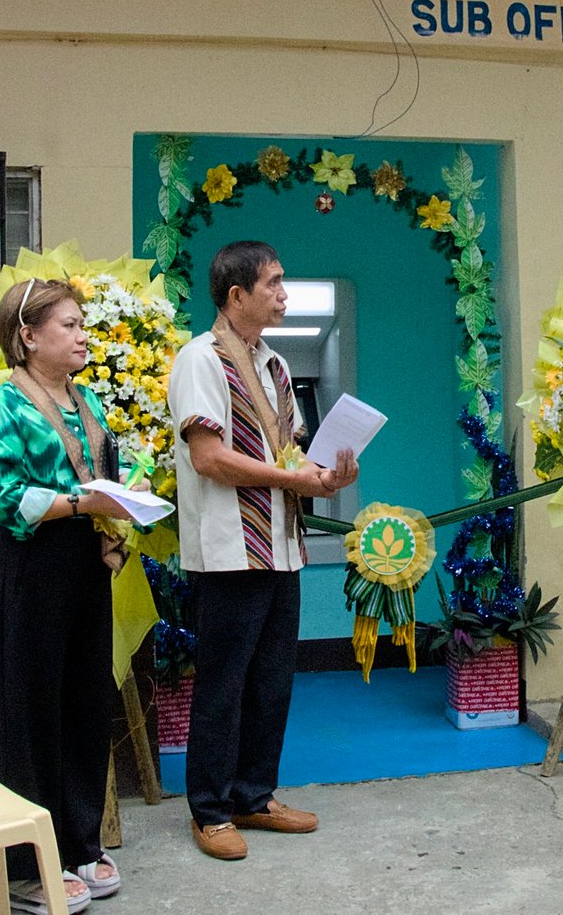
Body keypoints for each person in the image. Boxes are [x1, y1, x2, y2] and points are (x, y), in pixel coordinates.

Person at [168, 241, 358, 861]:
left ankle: (254, 795)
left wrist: (326, 477)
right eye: (273, 284)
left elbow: (290, 454)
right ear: (236, 296)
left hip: (283, 548)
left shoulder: (276, 365)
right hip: (228, 552)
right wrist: (296, 479)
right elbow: (210, 459)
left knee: (272, 680)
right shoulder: (200, 360)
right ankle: (210, 811)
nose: (284, 294)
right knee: (222, 684)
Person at [0, 277, 133, 912]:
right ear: (27, 336)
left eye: (82, 323)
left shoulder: (83, 399)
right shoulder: (2, 407)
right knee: (29, 712)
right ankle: (28, 865)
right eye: (68, 325)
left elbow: (104, 475)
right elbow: (5, 499)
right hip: (29, 567)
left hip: (84, 565)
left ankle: (80, 844)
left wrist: (117, 520)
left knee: (86, 703)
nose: (82, 335)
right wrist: (79, 503)